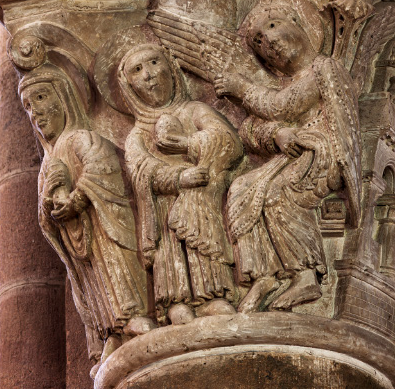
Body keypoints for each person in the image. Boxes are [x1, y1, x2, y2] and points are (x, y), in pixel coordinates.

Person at [213, 0, 361, 311]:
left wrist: (242, 89)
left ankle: (306, 275)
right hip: (292, 155)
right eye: (260, 42)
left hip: (322, 153)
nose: (270, 41)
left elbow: (284, 105)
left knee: (279, 193)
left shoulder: (324, 68)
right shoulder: (282, 82)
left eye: (273, 26)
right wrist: (279, 133)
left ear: (297, 22)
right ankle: (263, 275)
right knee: (241, 187)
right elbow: (249, 130)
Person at [19, 65, 151, 366]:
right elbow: (45, 215)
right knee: (94, 280)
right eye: (28, 106)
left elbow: (103, 167)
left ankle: (134, 315)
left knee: (115, 264)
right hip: (81, 239)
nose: (35, 111)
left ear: (64, 97)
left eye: (41, 97)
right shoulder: (47, 162)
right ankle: (111, 331)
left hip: (104, 224)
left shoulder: (80, 138)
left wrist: (77, 198)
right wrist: (51, 207)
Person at [120, 44, 243, 323]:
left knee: (202, 234)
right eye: (137, 70)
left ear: (173, 70)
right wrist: (178, 178)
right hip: (165, 204)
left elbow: (228, 142)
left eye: (153, 63)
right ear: (129, 86)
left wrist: (187, 144)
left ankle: (214, 296)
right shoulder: (137, 134)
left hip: (204, 194)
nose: (149, 74)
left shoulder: (194, 110)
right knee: (170, 247)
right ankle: (175, 302)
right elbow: (142, 170)